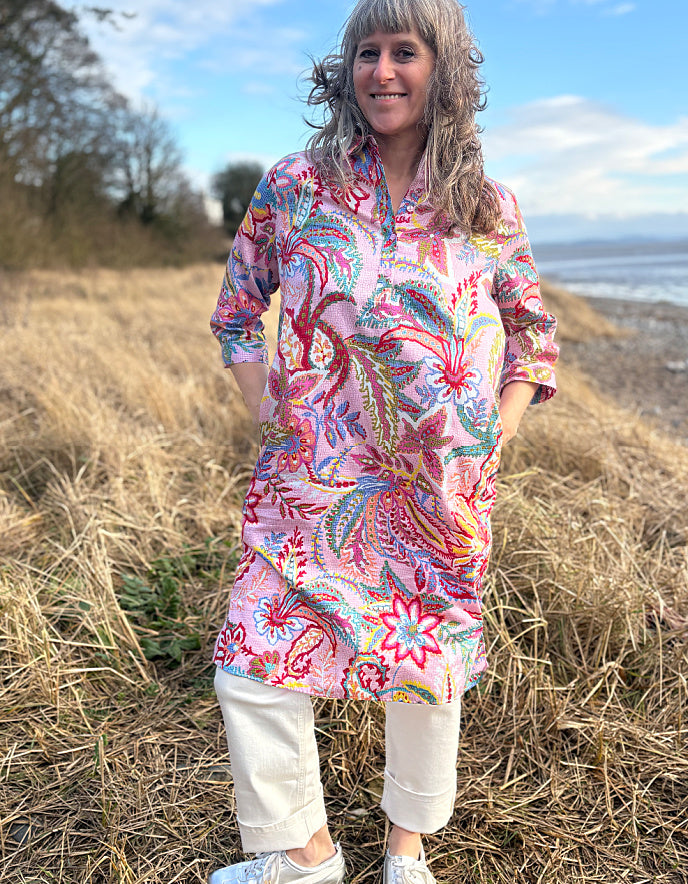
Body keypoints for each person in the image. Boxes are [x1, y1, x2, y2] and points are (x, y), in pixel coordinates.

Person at [208, 0, 558, 881]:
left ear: (445, 69)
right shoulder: (295, 184)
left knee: (427, 671)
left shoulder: (484, 204)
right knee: (251, 663)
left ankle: (408, 851)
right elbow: (239, 309)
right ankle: (301, 855)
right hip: (310, 487)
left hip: (437, 489)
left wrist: (494, 438)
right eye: (368, 51)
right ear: (346, 69)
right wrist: (266, 405)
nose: (383, 71)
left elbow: (533, 335)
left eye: (406, 51)